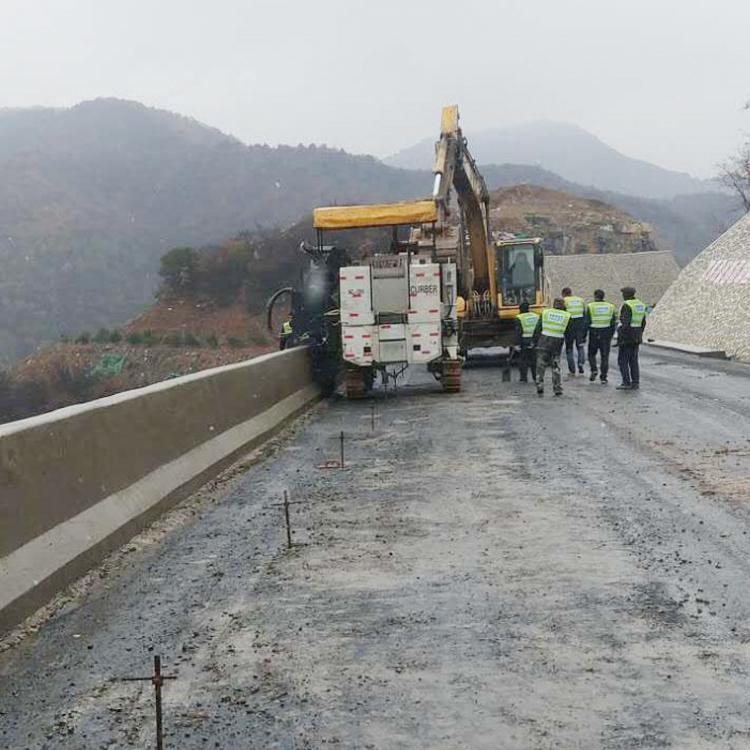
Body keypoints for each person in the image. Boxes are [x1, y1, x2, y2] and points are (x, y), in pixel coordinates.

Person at [532, 298, 571, 397]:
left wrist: (534, 341)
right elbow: (569, 332)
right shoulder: (566, 315)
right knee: (555, 366)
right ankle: (557, 388)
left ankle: (540, 385)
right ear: (563, 306)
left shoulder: (545, 312)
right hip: (557, 343)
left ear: (553, 304)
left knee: (540, 365)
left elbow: (538, 328)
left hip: (544, 341)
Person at [616, 286, 647, 390]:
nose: (622, 295)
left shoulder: (627, 305)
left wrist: (620, 338)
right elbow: (643, 322)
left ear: (626, 294)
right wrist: (640, 333)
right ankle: (635, 382)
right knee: (633, 360)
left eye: (623, 294)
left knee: (623, 360)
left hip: (627, 336)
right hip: (637, 335)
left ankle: (626, 382)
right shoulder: (641, 305)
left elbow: (625, 323)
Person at [585, 289, 617, 384]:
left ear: (595, 296)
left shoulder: (591, 306)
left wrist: (583, 335)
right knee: (604, 356)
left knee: (591, 354)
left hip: (594, 333)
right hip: (606, 334)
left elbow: (587, 322)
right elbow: (613, 323)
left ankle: (594, 369)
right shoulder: (611, 307)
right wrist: (611, 334)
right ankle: (603, 377)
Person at [562, 287, 586, 375]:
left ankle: (572, 370)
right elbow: (584, 314)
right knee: (580, 346)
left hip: (569, 327)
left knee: (569, 349)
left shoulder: (564, 301)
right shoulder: (580, 300)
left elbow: (563, 315)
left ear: (564, 294)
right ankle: (580, 364)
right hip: (580, 327)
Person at [515, 301, 539, 383]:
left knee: (523, 360)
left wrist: (517, 344)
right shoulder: (536, 316)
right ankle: (536, 377)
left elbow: (518, 332)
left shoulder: (519, 317)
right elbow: (539, 329)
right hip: (534, 340)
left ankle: (523, 378)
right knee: (534, 359)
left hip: (524, 340)